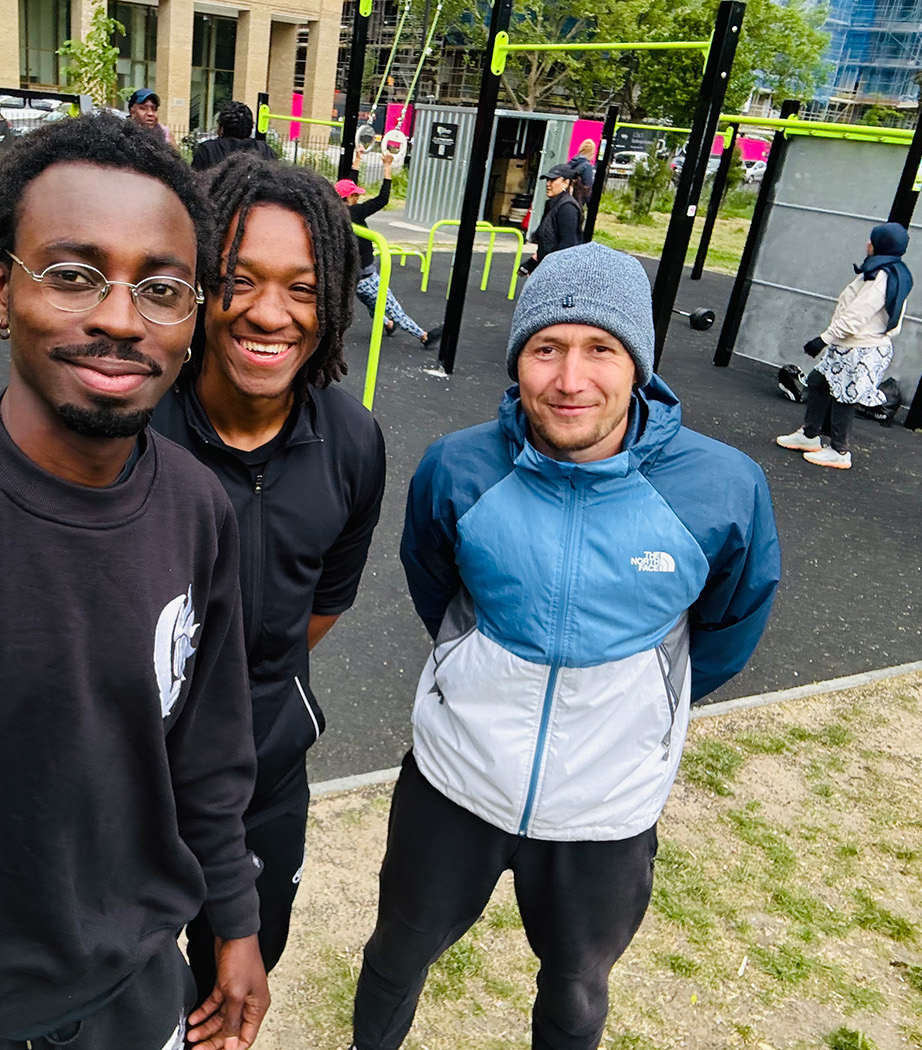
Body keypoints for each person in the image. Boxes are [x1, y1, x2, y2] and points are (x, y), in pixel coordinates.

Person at [0, 114, 268, 1050]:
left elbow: (206, 753)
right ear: (1, 290)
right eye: (72, 274)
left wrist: (237, 922)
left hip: (137, 988)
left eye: (163, 288)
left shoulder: (197, 508)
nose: (119, 318)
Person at [350, 242, 781, 1050]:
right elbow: (433, 585)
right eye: (546, 348)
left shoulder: (722, 488)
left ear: (639, 364)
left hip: (606, 811)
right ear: (517, 361)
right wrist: (477, 668)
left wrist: (645, 701)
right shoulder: (459, 467)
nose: (571, 378)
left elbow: (730, 625)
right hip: (455, 783)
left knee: (577, 989)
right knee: (396, 956)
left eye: (601, 349)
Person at [151, 154, 386, 997]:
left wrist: (251, 683)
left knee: (239, 971)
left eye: (302, 287)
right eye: (240, 279)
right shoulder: (134, 430)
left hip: (264, 768)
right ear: (202, 286)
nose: (269, 313)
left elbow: (322, 604)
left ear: (330, 306)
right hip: (134, 773)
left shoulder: (353, 441)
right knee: (132, 991)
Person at [775, 222, 913, 470]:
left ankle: (839, 450)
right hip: (851, 345)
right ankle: (809, 435)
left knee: (846, 397)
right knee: (818, 381)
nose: (867, 244)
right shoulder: (890, 271)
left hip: (860, 348)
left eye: (872, 240)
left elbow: (857, 315)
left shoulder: (881, 277)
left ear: (882, 244)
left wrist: (823, 339)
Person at [337, 151, 442, 348]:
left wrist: (357, 160)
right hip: (367, 275)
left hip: (351, 276)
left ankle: (388, 324)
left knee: (372, 304)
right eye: (355, 195)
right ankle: (424, 336)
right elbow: (382, 199)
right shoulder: (356, 213)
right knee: (392, 306)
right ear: (349, 198)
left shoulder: (335, 210)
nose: (358, 198)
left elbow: (346, 184)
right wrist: (387, 168)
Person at [518, 162, 584, 276]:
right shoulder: (551, 204)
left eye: (553, 180)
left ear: (566, 183)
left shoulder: (567, 208)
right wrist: (532, 263)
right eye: (547, 180)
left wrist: (551, 270)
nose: (548, 184)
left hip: (558, 271)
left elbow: (568, 244)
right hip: (547, 265)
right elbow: (546, 240)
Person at [191, 100, 277, 171]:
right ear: (250, 128)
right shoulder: (265, 150)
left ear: (221, 129)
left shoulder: (207, 150)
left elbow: (193, 184)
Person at [568, 138, 597, 205]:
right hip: (577, 201)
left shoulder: (571, 162)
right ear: (592, 153)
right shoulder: (587, 166)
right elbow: (588, 188)